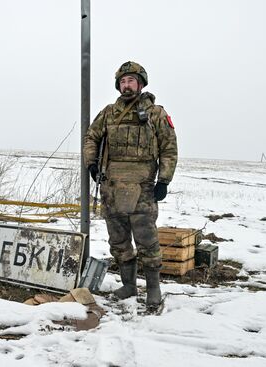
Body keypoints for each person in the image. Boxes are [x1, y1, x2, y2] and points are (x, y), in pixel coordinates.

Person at [83, 61, 178, 310]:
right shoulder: (108, 112)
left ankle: (153, 290)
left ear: (141, 83)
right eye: (123, 81)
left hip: (143, 189)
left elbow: (169, 148)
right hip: (112, 188)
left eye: (131, 80)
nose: (127, 85)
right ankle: (128, 285)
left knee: (147, 241)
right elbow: (91, 137)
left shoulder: (155, 113)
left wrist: (164, 180)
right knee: (119, 240)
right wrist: (91, 165)